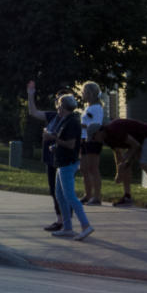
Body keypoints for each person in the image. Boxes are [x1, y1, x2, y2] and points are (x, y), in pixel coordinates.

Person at [47, 94, 94, 239]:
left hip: (68, 163)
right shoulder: (65, 121)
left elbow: (71, 144)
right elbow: (64, 141)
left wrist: (53, 138)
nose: (58, 108)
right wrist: (55, 146)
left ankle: (86, 225)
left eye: (59, 105)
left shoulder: (72, 122)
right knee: (60, 196)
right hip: (62, 162)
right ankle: (67, 227)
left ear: (63, 107)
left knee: (70, 196)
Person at [26, 82, 67, 231]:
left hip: (63, 160)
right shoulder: (52, 116)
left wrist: (51, 136)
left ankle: (66, 220)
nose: (59, 103)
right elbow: (33, 112)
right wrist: (31, 95)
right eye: (57, 100)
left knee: (64, 191)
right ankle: (60, 219)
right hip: (50, 158)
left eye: (62, 100)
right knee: (53, 190)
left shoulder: (70, 119)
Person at [97, 116, 147, 206]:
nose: (94, 140)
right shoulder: (106, 138)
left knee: (144, 164)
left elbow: (136, 145)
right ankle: (127, 197)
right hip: (137, 141)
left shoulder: (114, 130)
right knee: (125, 166)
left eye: (94, 136)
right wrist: (118, 173)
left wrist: (126, 160)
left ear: (100, 132)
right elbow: (118, 154)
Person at [78, 81, 106, 205]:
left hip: (93, 139)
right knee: (83, 168)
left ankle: (97, 197)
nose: (82, 94)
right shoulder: (88, 107)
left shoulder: (97, 108)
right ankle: (87, 194)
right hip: (84, 139)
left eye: (84, 92)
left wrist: (79, 125)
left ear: (90, 93)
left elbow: (96, 125)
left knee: (92, 168)